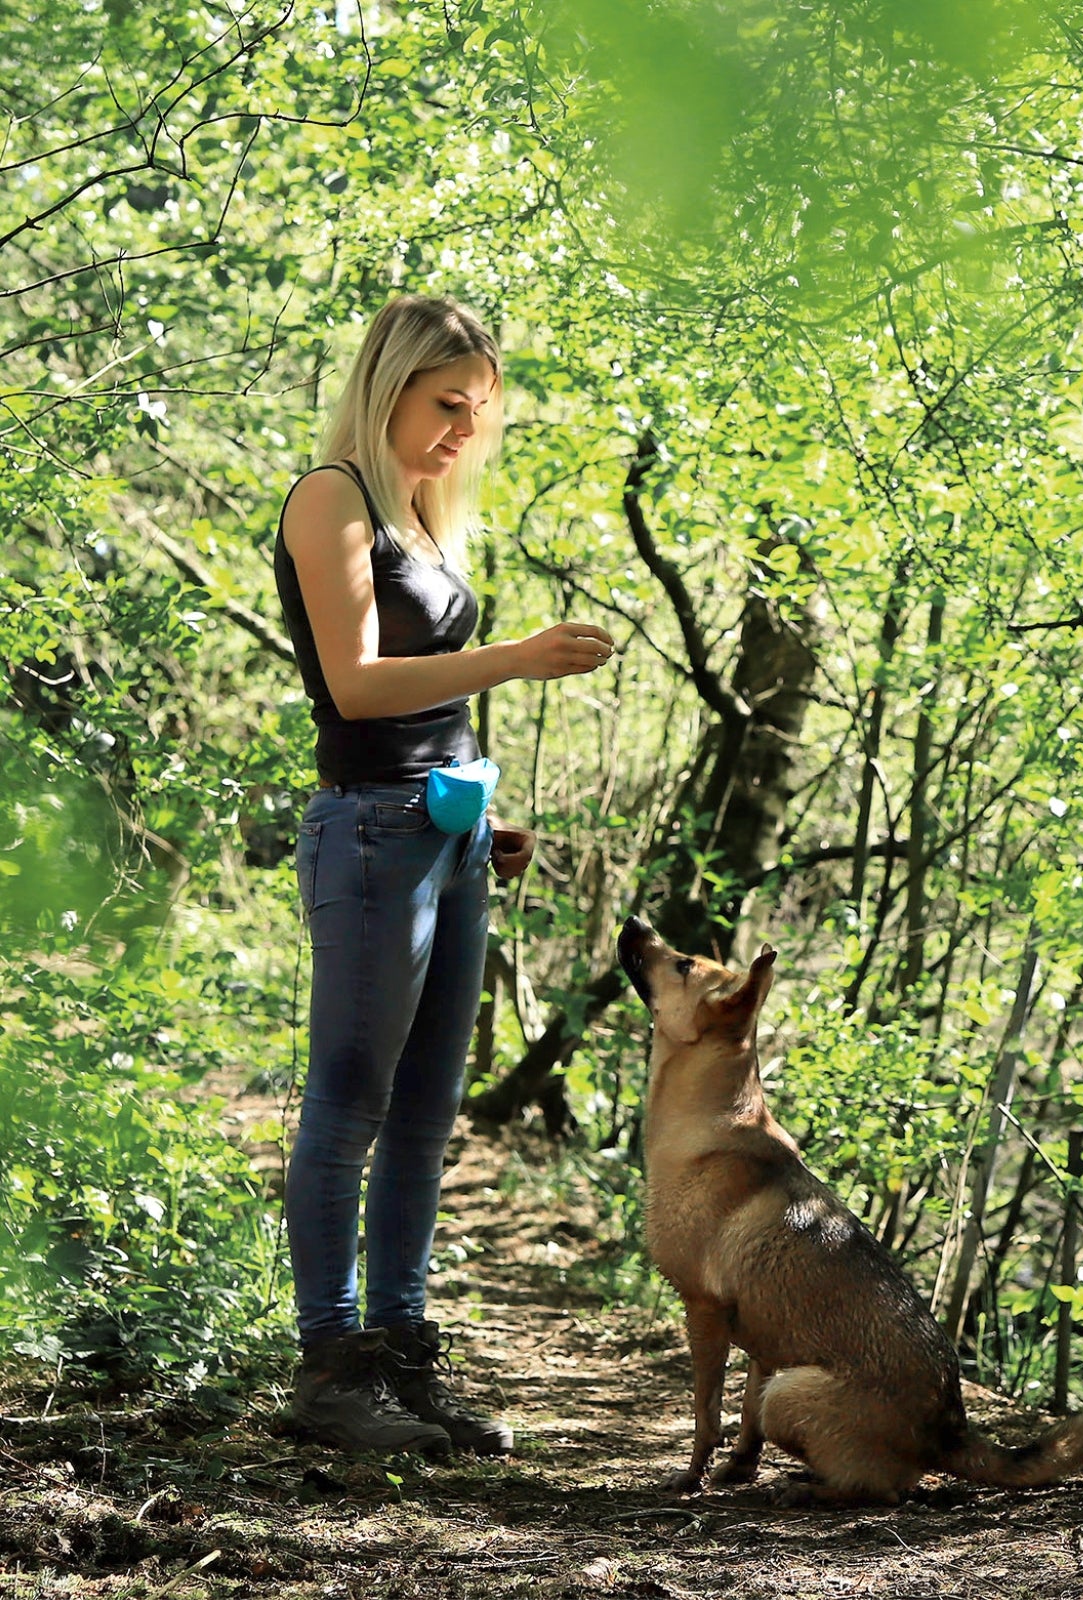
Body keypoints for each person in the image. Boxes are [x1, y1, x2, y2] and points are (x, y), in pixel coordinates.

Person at [274, 293, 615, 1455]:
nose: (464, 431)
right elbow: (358, 687)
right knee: (350, 1103)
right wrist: (517, 659)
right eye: (445, 404)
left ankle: (402, 1360)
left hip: (446, 834)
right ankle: (331, 1372)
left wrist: (482, 810)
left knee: (425, 1117)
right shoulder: (333, 499)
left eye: (480, 410)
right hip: (368, 837)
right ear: (389, 386)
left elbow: (431, 703)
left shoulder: (422, 515)